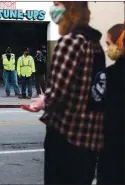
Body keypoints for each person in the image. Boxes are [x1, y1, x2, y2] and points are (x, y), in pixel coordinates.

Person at [30, 2, 106, 184]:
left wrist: (42, 101)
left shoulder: (70, 42)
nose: (53, 8)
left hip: (66, 137)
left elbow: (58, 93)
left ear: (70, 10)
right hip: (90, 137)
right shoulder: (95, 44)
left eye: (57, 4)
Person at [97, 22, 125, 185]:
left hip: (113, 150)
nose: (107, 49)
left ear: (120, 43)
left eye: (109, 44)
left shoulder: (109, 76)